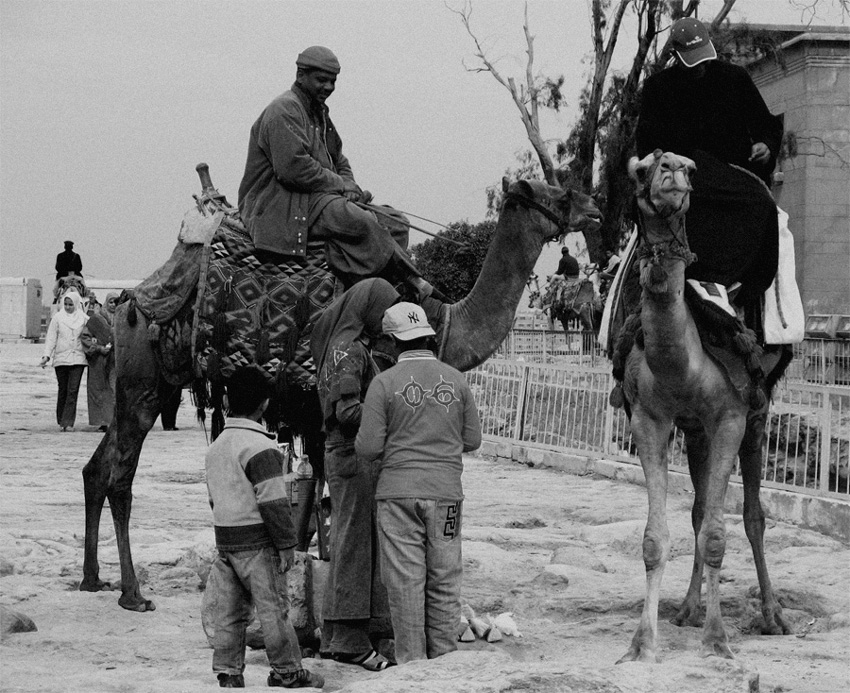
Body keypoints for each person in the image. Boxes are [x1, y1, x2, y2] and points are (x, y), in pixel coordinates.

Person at [238, 45, 433, 299]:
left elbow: (339, 158)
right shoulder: (283, 110)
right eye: (322, 80)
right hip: (281, 201)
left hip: (317, 197)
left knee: (397, 222)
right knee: (360, 221)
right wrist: (342, 186)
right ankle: (410, 280)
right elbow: (293, 170)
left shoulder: (319, 113)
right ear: (300, 75)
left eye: (333, 81)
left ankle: (373, 291)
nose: (328, 87)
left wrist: (350, 187)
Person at [355, 302, 482, 664]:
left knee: (405, 583)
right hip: (445, 497)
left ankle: (412, 666)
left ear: (393, 342)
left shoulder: (383, 384)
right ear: (429, 335)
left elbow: (368, 448)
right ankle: (445, 663)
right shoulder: (455, 379)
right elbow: (473, 440)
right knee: (444, 579)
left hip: (396, 496)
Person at [635, 16, 783, 319]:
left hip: (731, 174)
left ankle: (743, 286)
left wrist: (766, 145)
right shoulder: (656, 89)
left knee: (764, 205)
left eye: (703, 58)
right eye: (692, 61)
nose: (700, 66)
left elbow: (765, 124)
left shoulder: (735, 79)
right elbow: (647, 148)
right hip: (680, 178)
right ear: (675, 56)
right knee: (672, 208)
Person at [204, 365, 324, 689]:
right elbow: (273, 502)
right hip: (258, 544)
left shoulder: (216, 447)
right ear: (265, 405)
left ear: (227, 400)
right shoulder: (261, 447)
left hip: (225, 541)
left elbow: (214, 498)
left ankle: (229, 672)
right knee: (274, 610)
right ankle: (287, 671)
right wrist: (287, 545)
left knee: (229, 613)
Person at [309, 278, 399, 671]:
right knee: (354, 545)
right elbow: (347, 413)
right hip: (351, 456)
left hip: (349, 458)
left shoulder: (346, 346)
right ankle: (348, 640)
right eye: (385, 309)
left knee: (354, 540)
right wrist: (389, 413)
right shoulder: (350, 351)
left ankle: (342, 635)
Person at [40, 289, 89, 432]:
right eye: (66, 304)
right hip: (61, 359)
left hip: (78, 359)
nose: (68, 307)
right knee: (63, 390)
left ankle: (68, 423)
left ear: (76, 304)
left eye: (70, 304)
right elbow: (51, 338)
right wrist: (46, 356)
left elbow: (92, 335)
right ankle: (61, 418)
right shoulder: (57, 318)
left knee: (73, 391)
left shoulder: (84, 319)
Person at [81, 291, 119, 432]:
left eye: (116, 302)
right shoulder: (96, 319)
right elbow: (85, 337)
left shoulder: (122, 319)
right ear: (106, 302)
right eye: (111, 302)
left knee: (115, 390)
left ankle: (114, 420)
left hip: (116, 361)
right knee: (99, 391)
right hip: (98, 361)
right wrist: (98, 348)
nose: (113, 305)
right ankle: (103, 421)